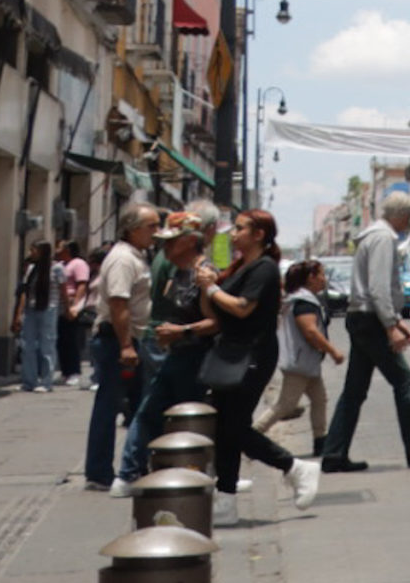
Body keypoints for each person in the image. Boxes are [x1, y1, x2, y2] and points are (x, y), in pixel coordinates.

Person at [194, 211, 319, 526]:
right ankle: (226, 499)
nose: (233, 234)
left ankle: (294, 467)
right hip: (232, 352)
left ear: (259, 234)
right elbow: (217, 310)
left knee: (233, 427)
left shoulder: (263, 269)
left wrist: (212, 289)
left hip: (252, 355)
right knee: (225, 425)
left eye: (240, 229)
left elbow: (241, 307)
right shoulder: (242, 267)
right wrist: (206, 286)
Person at [318, 190, 410, 473]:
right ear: (402, 215)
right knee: (405, 382)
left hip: (362, 317)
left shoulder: (372, 236)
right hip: (370, 320)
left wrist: (396, 320)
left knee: (355, 390)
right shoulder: (383, 239)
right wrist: (390, 325)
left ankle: (334, 452)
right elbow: (378, 287)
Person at [110, 218, 220, 494]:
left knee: (190, 420)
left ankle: (204, 476)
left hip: (195, 358)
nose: (165, 245)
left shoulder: (204, 273)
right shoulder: (177, 272)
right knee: (150, 412)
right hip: (173, 355)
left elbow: (216, 322)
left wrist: (182, 331)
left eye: (173, 239)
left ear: (190, 241)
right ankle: (129, 473)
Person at [83, 204, 159, 491]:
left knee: (136, 404)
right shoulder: (123, 259)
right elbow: (118, 303)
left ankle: (133, 466)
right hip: (117, 340)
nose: (156, 232)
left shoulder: (137, 256)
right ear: (133, 229)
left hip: (128, 339)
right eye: (151, 226)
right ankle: (99, 472)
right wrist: (126, 345)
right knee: (110, 405)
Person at [255, 259, 343, 449]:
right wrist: (333, 351)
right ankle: (251, 435)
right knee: (285, 405)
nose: (324, 279)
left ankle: (320, 440)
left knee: (319, 399)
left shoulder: (300, 299)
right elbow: (310, 331)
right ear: (311, 278)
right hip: (300, 362)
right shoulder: (304, 302)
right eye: (321, 275)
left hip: (305, 362)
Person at [12, 238, 56, 393]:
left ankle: (46, 381)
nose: (31, 253)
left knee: (46, 346)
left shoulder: (56, 269)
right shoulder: (31, 269)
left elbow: (62, 292)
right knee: (27, 345)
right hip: (30, 309)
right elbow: (25, 292)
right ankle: (29, 381)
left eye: (34, 250)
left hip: (48, 309)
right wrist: (19, 313)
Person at [56, 240, 92, 387]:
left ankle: (74, 372)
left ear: (68, 250)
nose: (57, 250)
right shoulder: (62, 265)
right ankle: (65, 371)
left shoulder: (78, 264)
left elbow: (82, 284)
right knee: (62, 339)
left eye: (60, 247)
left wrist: (75, 305)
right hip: (61, 304)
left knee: (72, 339)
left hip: (71, 303)